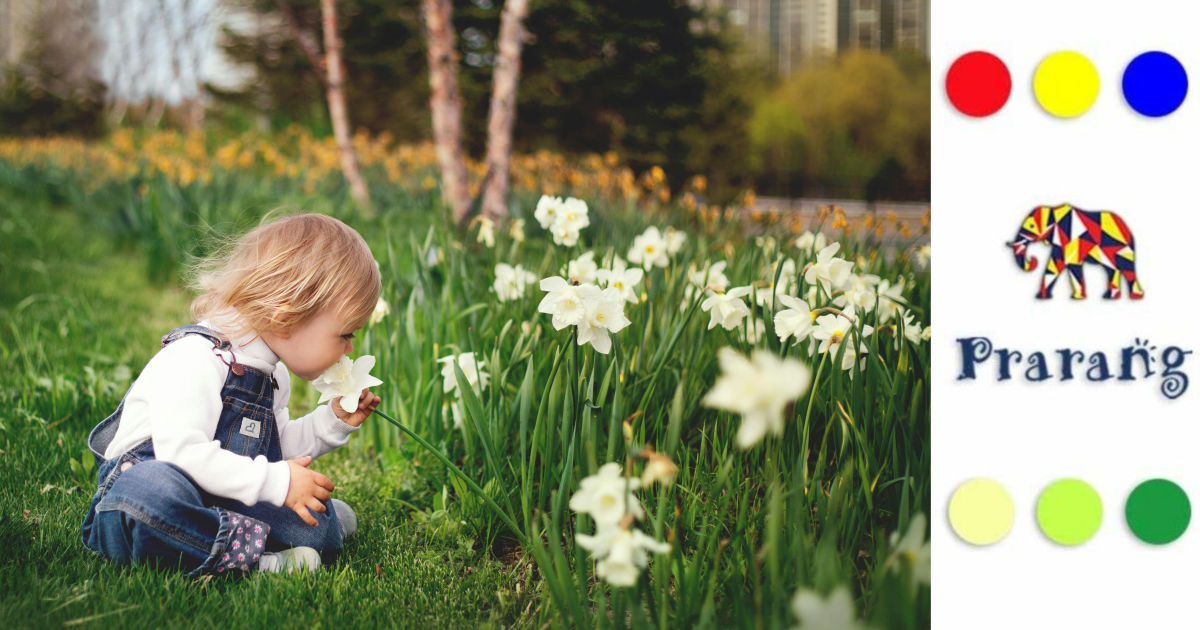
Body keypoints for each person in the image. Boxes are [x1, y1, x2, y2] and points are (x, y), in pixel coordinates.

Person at [81, 212, 383, 575]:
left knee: (317, 527)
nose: (349, 349)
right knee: (150, 495)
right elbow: (181, 455)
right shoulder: (196, 358)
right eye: (346, 334)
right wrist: (277, 482)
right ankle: (256, 562)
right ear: (287, 315)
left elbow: (275, 449)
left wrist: (331, 422)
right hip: (151, 490)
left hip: (219, 493)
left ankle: (292, 530)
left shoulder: (273, 375)